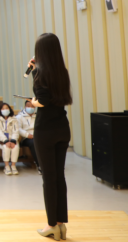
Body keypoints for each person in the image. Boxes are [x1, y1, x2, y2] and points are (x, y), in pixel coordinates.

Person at [29, 33, 72, 240]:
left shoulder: (40, 72)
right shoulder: (62, 71)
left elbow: (42, 100)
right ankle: (62, 224)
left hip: (45, 130)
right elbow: (54, 96)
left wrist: (32, 102)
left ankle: (51, 225)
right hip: (62, 127)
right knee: (59, 176)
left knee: (48, 178)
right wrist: (33, 72)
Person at [0, 103, 20, 175]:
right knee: (6, 147)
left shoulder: (14, 119)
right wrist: (5, 141)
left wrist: (13, 140)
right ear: (0, 110)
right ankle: (7, 166)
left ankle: (13, 166)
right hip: (1, 140)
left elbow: (16, 131)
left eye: (7, 108)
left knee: (15, 147)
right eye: (3, 108)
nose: (5, 110)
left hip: (12, 139)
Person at [17, 100, 40, 173]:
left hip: (38, 136)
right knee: (34, 143)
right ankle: (40, 165)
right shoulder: (19, 116)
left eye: (32, 106)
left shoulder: (38, 115)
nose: (30, 108)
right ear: (25, 106)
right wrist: (27, 135)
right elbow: (18, 129)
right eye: (28, 106)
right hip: (26, 138)